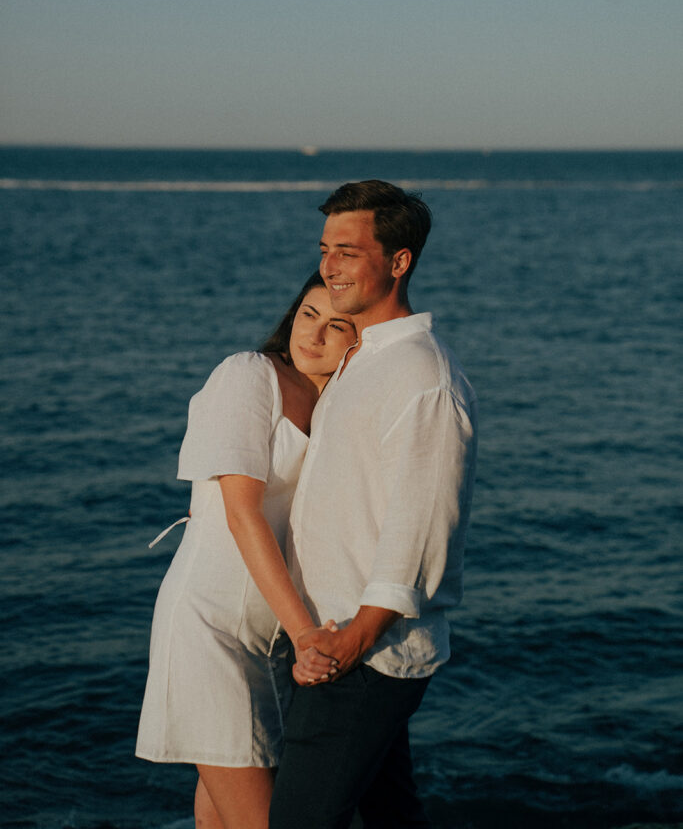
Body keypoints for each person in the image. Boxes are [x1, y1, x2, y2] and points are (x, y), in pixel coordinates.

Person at [270, 180, 478, 829]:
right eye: (325, 248)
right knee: (388, 815)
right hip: (331, 636)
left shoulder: (421, 376)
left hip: (361, 649)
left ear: (398, 261)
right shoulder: (359, 355)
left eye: (348, 250)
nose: (328, 265)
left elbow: (419, 526)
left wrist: (350, 641)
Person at [135, 272, 357, 829]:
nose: (315, 334)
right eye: (309, 314)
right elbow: (242, 513)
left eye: (338, 325)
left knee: (219, 816)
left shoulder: (336, 403)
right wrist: (307, 632)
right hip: (211, 627)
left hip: (271, 639)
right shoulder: (249, 375)